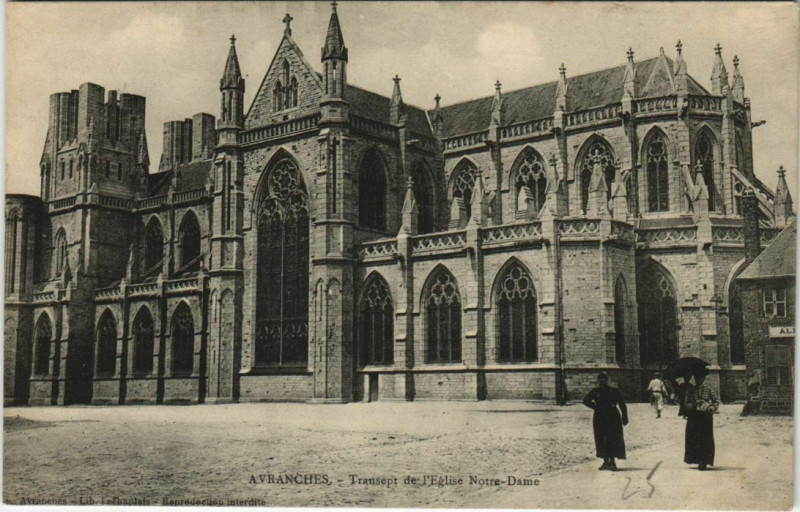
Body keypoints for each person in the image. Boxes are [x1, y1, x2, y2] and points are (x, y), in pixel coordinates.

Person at [583, 372, 628, 471]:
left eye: (603, 379)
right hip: (600, 417)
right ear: (598, 381)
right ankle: (605, 461)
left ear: (606, 381)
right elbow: (585, 400)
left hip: (613, 416)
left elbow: (621, 403)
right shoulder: (595, 391)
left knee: (613, 437)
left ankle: (612, 462)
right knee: (601, 438)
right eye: (600, 379)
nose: (601, 381)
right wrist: (595, 407)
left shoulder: (614, 391)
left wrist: (625, 416)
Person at [683, 368, 719, 470]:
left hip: (705, 417)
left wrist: (710, 407)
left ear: (704, 379)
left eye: (701, 378)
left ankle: (704, 460)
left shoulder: (709, 389)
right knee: (694, 437)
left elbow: (716, 401)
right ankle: (695, 459)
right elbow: (686, 403)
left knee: (705, 438)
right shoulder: (690, 390)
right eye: (697, 378)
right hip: (694, 417)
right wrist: (693, 405)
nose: (699, 380)